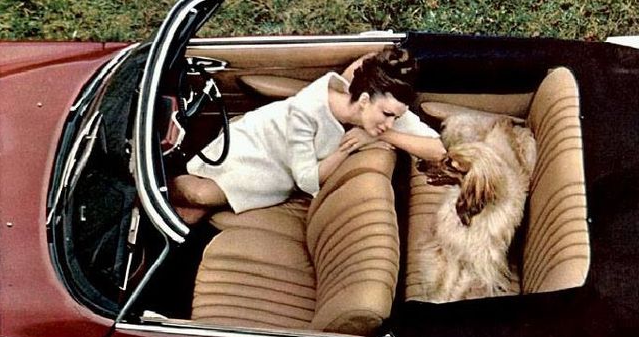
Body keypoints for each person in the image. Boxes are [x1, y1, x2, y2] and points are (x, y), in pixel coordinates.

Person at [170, 45, 445, 224]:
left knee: (195, 203)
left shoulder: (382, 111)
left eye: (396, 116)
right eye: (387, 115)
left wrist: (379, 136)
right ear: (363, 100)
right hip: (260, 144)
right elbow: (308, 180)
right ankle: (157, 186)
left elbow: (438, 150)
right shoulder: (310, 109)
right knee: (194, 194)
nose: (391, 122)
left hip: (274, 172)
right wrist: (351, 145)